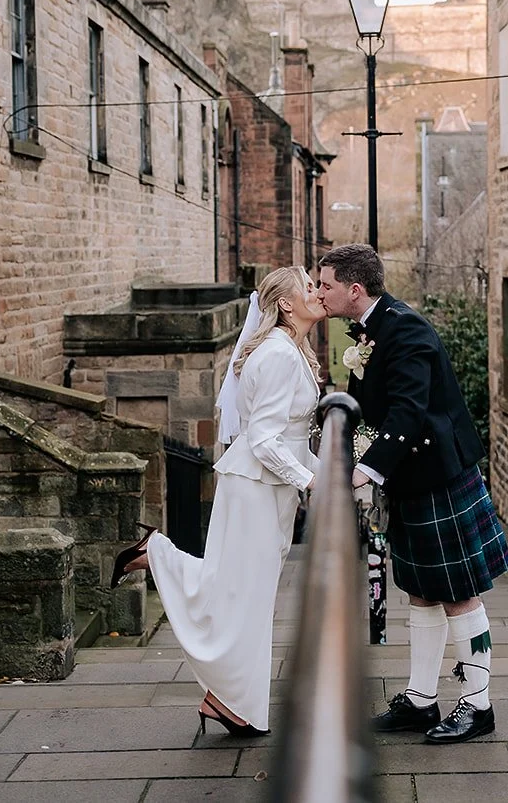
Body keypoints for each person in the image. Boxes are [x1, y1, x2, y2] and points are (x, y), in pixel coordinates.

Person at [109, 266, 325, 738]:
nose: (318, 292)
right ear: (285, 304)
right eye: (309, 287)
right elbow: (265, 439)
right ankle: (231, 702)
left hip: (267, 488)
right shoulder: (276, 356)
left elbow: (288, 436)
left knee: (238, 591)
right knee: (243, 595)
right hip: (255, 488)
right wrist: (311, 483)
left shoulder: (291, 351)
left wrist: (327, 474)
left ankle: (226, 699)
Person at [316, 243, 508, 745]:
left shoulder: (405, 329)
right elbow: (369, 405)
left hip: (437, 476)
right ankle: (422, 700)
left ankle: (478, 704)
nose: (320, 293)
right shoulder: (370, 329)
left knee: (458, 593)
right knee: (420, 591)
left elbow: (407, 410)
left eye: (326, 285)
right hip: (410, 477)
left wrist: (367, 470)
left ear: (354, 289)